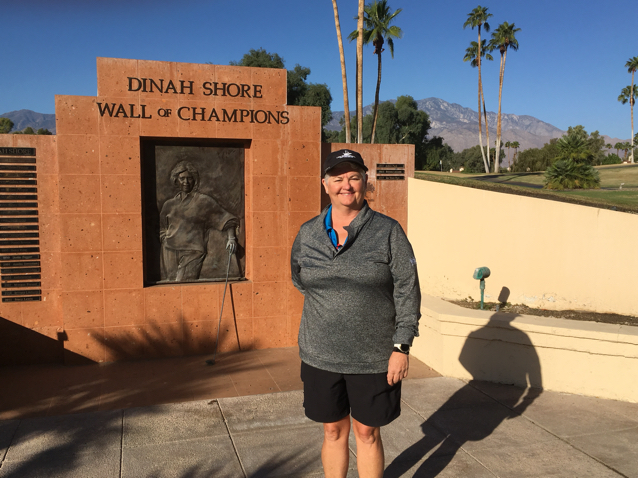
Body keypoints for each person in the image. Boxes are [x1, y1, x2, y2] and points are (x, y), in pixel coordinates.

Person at [290, 149, 421, 478]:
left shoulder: (388, 231)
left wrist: (401, 346)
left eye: (353, 177)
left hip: (373, 357)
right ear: (325, 184)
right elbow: (300, 279)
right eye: (337, 178)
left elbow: (407, 289)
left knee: (367, 433)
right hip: (321, 355)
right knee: (333, 431)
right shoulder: (308, 233)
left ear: (365, 181)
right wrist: (336, 304)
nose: (345, 185)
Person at [159, 160, 238, 282]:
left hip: (193, 251)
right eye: (182, 178)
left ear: (194, 180)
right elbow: (162, 226)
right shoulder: (169, 204)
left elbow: (227, 219)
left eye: (189, 178)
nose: (186, 182)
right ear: (176, 180)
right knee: (171, 286)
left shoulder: (203, 201)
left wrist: (231, 238)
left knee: (183, 284)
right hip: (169, 251)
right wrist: (164, 238)